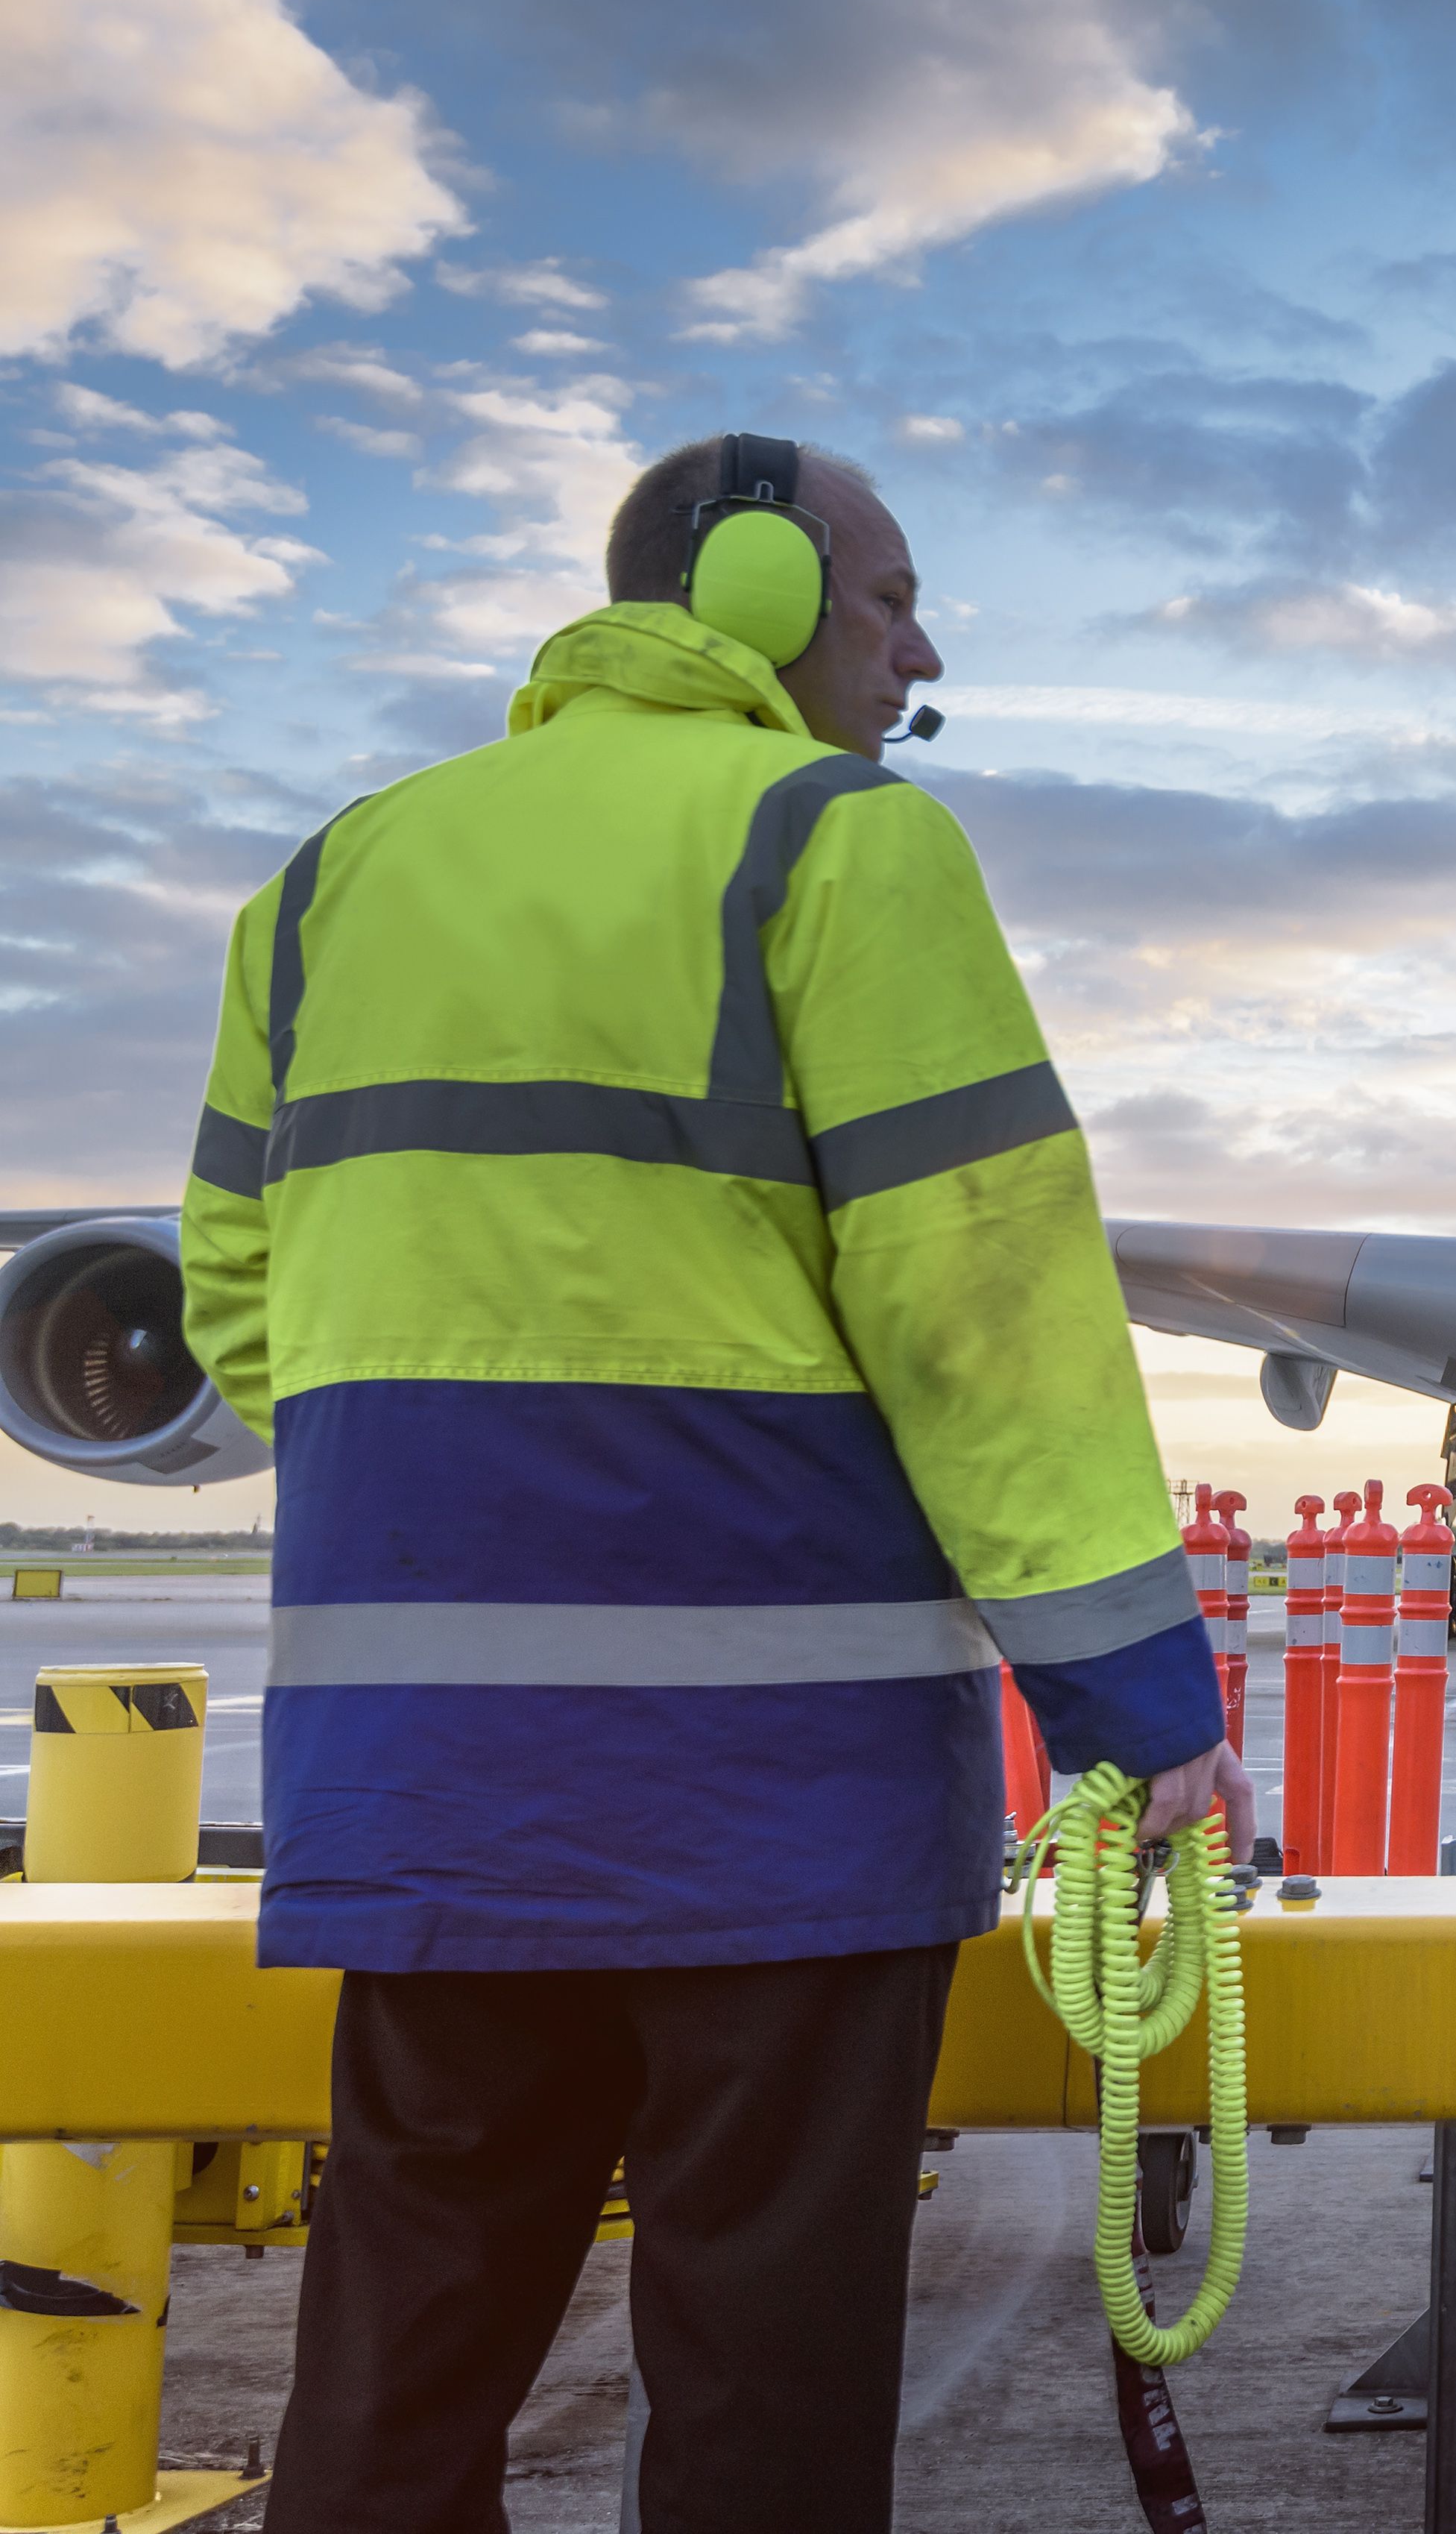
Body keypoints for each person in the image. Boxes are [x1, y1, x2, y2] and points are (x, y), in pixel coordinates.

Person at [178, 433, 1247, 2533]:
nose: (919, 652)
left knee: (396, 2374)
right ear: (758, 590)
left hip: (425, 1793)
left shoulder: (328, 878)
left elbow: (241, 1306)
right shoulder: (842, 844)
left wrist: (472, 1474)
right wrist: (1135, 1698)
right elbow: (989, 1311)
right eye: (890, 598)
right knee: (763, 2394)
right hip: (771, 1804)